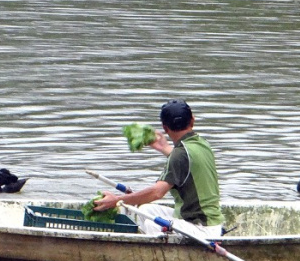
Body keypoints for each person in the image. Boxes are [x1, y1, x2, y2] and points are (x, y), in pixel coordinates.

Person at [94, 99, 224, 237]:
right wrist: (164, 147)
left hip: (201, 229)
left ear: (165, 128)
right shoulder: (202, 144)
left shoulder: (179, 155)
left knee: (152, 224)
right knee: (146, 210)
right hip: (208, 222)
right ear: (193, 120)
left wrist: (116, 201)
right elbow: (185, 161)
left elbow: (157, 193)